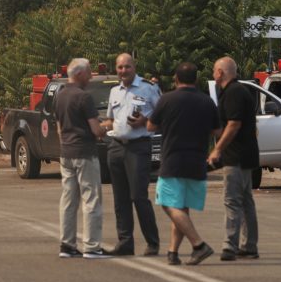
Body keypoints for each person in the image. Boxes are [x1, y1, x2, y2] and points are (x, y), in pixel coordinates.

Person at [147, 62, 221, 266]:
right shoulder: (207, 102)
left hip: (173, 161)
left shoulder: (167, 99)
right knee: (182, 209)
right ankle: (173, 252)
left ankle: (199, 245)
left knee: (168, 204)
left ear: (176, 79)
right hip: (198, 163)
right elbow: (218, 132)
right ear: (195, 79)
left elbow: (151, 127)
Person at [102, 53, 161, 256]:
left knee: (138, 196)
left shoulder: (148, 88)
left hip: (138, 147)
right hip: (116, 146)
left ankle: (152, 243)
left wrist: (144, 121)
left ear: (134, 67)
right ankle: (125, 242)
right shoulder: (114, 91)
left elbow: (162, 116)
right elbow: (111, 119)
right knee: (120, 198)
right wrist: (99, 128)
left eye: (127, 67)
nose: (123, 71)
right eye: (119, 67)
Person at [55, 58, 114, 259]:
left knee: (68, 200)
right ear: (79, 74)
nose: (91, 76)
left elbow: (59, 127)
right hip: (85, 153)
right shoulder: (84, 97)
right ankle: (92, 246)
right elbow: (96, 129)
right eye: (89, 72)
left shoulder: (60, 95)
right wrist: (109, 126)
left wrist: (65, 144)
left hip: (66, 152)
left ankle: (67, 244)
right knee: (91, 199)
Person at [208, 56, 260, 261]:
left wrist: (217, 149)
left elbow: (234, 124)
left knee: (232, 201)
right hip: (244, 155)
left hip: (236, 156)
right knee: (246, 201)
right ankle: (249, 246)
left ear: (220, 72)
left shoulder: (234, 92)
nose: (213, 74)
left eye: (214, 70)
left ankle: (230, 245)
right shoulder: (236, 91)